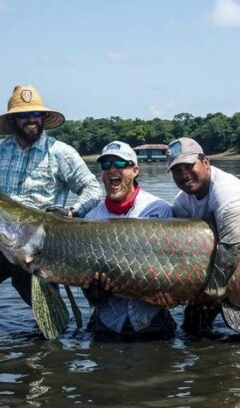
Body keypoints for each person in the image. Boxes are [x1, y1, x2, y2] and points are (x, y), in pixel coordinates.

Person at [0, 85, 103, 335]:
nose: (31, 119)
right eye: (23, 115)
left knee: (49, 317)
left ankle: (55, 358)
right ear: (13, 120)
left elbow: (93, 188)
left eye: (36, 114)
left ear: (43, 118)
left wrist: (72, 212)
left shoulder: (60, 153)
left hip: (38, 246)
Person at [166, 137, 240, 337]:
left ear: (205, 162)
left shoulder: (226, 191)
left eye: (189, 166)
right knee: (192, 328)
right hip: (218, 270)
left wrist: (212, 293)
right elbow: (184, 253)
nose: (184, 175)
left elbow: (231, 245)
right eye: (176, 170)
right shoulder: (181, 203)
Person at [80, 140, 177, 337]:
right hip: (107, 323)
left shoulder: (160, 210)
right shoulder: (91, 220)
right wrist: (92, 293)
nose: (112, 169)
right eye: (106, 165)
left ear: (135, 170)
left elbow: (176, 264)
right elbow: (84, 276)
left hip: (152, 321)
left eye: (120, 164)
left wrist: (173, 294)